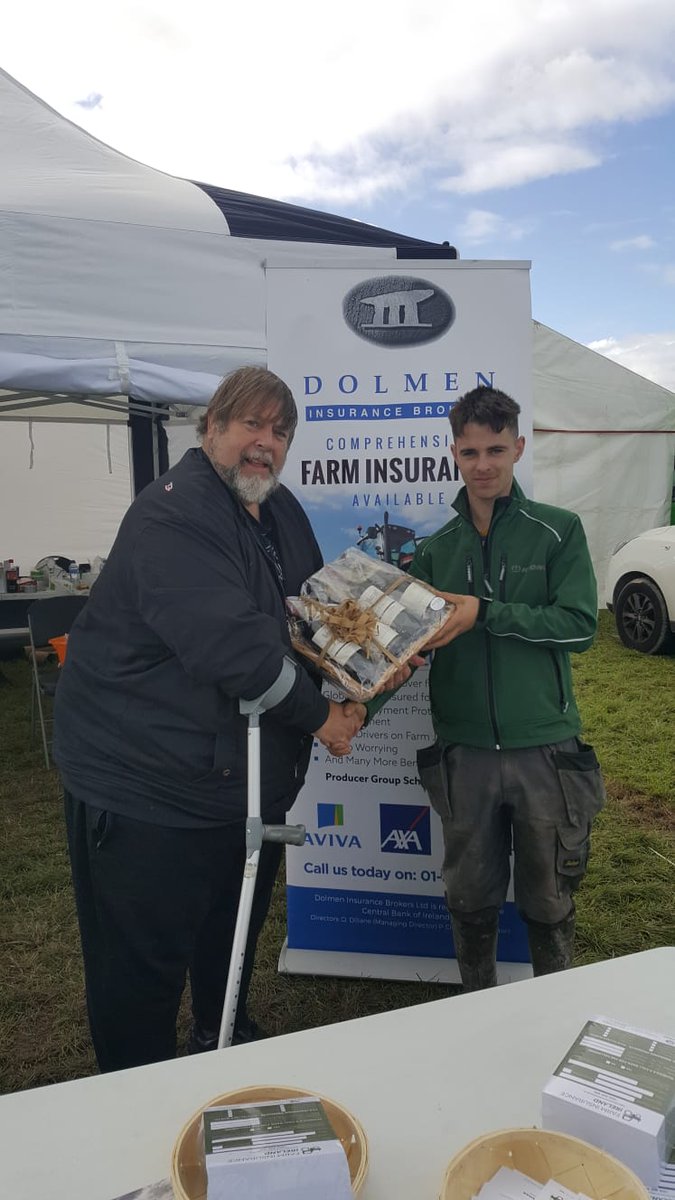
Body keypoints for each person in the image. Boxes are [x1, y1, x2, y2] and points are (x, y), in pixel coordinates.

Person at [53, 366, 364, 1072]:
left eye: (280, 431)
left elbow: (310, 614)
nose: (266, 443)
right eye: (251, 424)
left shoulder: (277, 508)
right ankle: (135, 1093)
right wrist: (324, 718)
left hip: (240, 781)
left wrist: (360, 668)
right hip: (146, 788)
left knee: (230, 928)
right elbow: (235, 649)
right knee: (142, 965)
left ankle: (218, 1036)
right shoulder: (174, 510)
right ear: (211, 428)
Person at [362, 386, 605, 990]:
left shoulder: (557, 533)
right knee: (469, 897)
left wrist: (485, 612)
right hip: (464, 752)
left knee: (548, 899)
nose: (485, 465)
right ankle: (478, 1005)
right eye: (471, 453)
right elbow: (402, 650)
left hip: (545, 750)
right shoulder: (436, 551)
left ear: (519, 447)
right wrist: (350, 713)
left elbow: (579, 627)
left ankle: (553, 1007)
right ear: (455, 455)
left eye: (496, 449)